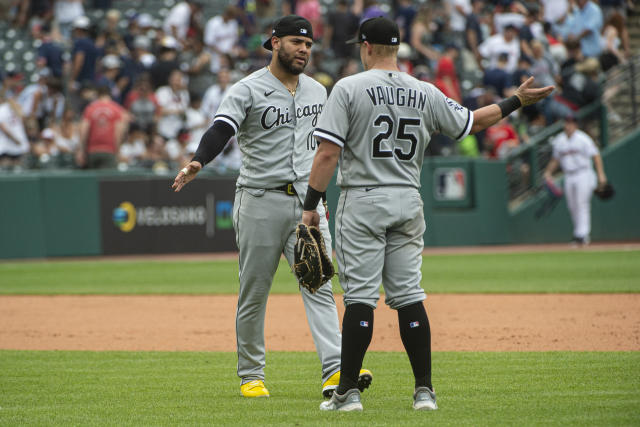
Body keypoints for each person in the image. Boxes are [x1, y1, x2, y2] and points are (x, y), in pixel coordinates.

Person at [300, 17, 553, 412]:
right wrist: (516, 101)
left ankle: (346, 392)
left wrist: (310, 207)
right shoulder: (425, 90)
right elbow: (472, 122)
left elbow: (328, 153)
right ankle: (424, 392)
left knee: (361, 298)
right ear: (396, 48)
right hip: (407, 198)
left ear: (365, 46)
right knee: (409, 296)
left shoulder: (348, 88)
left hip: (363, 198)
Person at [172, 15, 372, 399]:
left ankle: (334, 370)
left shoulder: (318, 91)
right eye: (297, 42)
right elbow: (221, 129)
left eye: (309, 45)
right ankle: (251, 375)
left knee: (319, 284)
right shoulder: (247, 89)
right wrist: (200, 160)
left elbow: (330, 147)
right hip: (259, 200)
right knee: (255, 291)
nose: (304, 50)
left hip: (307, 203)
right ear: (274, 42)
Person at [543, 114, 607, 246]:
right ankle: (579, 233)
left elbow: (596, 155)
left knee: (581, 203)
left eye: (571, 122)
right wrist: (548, 172)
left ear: (576, 125)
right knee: (572, 206)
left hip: (584, 173)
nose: (568, 125)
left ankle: (582, 235)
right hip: (569, 175)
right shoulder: (560, 140)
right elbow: (555, 159)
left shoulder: (583, 138)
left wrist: (601, 174)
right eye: (566, 122)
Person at [79, 84, 130, 169]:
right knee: (108, 180)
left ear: (98, 94)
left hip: (92, 150)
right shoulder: (116, 109)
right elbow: (119, 132)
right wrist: (118, 151)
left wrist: (81, 150)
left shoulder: (90, 108)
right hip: (109, 150)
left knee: (93, 180)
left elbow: (83, 130)